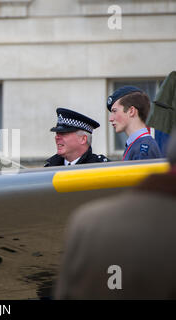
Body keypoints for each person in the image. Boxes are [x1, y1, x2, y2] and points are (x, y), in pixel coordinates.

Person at [55, 130, 176, 299]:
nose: (57, 137)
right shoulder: (51, 166)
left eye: (65, 134)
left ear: (83, 139)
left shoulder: (88, 220)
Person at [107, 86, 163, 161]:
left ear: (131, 111)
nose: (110, 119)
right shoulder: (139, 145)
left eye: (114, 111)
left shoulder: (143, 149)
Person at [44, 108, 109, 167]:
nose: (57, 137)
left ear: (83, 139)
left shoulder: (100, 167)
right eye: (57, 133)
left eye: (63, 133)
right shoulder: (50, 167)